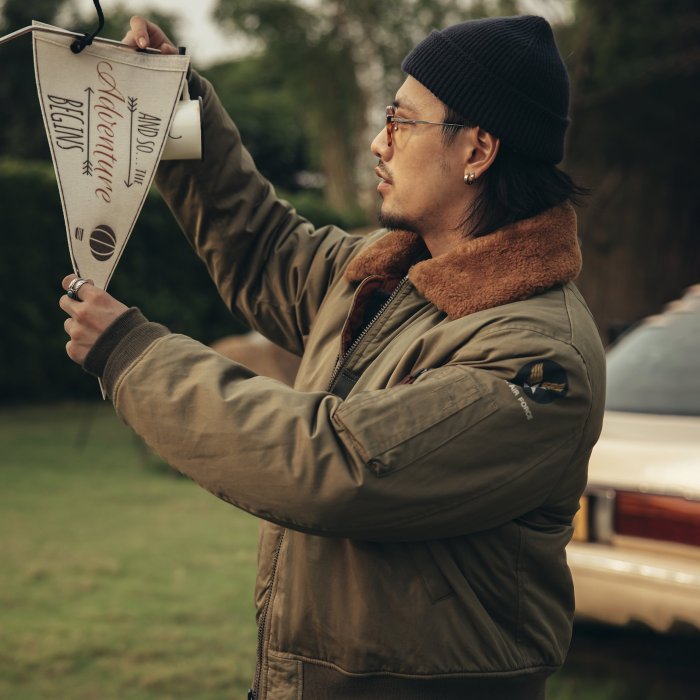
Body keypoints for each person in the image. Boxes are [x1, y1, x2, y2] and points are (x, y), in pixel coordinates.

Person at [59, 13, 606, 700]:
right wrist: (169, 106)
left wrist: (130, 354)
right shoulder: (384, 278)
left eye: (401, 122)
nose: (378, 143)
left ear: (478, 150)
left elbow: (342, 468)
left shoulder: (539, 357)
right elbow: (260, 248)